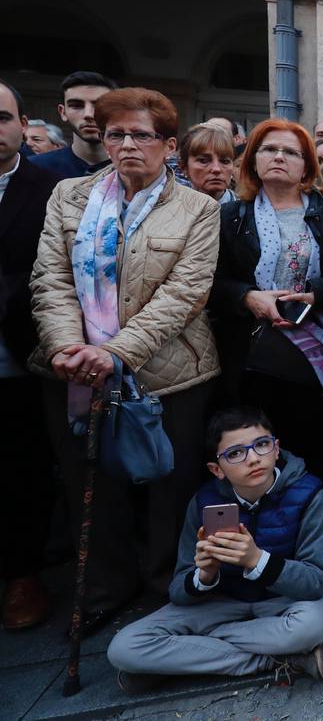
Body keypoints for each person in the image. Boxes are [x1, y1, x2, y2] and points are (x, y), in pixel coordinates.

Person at [32, 87, 221, 630]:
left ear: (167, 145)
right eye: (117, 134)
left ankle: (167, 584)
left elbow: (185, 293)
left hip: (170, 371)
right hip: (72, 371)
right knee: (92, 483)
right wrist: (70, 347)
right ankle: (106, 587)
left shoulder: (196, 208)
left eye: (142, 135)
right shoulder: (69, 196)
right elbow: (51, 278)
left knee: (169, 483)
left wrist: (115, 352)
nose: (128, 144)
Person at [106, 408, 323, 692]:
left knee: (311, 626)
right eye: (236, 453)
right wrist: (204, 575)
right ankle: (277, 660)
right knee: (124, 649)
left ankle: (187, 657)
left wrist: (256, 559)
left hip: (285, 601)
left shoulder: (310, 494)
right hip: (220, 603)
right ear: (217, 469)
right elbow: (178, 590)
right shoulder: (204, 502)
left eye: (262, 445)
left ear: (276, 449)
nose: (253, 458)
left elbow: (316, 581)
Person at [211, 120, 323, 512]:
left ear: (308, 165)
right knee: (261, 451)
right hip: (254, 358)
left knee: (320, 450)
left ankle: (320, 530)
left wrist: (317, 294)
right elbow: (211, 282)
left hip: (319, 355)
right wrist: (248, 297)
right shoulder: (230, 217)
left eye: (291, 152)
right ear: (253, 160)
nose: (279, 157)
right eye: (268, 149)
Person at [0, 80, 59, 630]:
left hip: (18, 352)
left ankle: (23, 573)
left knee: (21, 465)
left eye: (1, 117)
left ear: (22, 124)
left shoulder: (50, 188)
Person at [31, 70, 117, 180]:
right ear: (63, 112)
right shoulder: (35, 168)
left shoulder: (136, 171)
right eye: (76, 106)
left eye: (100, 106)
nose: (88, 114)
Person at [179, 124, 238, 203]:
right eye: (203, 161)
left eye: (225, 161)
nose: (216, 169)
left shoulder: (251, 211)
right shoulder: (168, 211)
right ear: (184, 167)